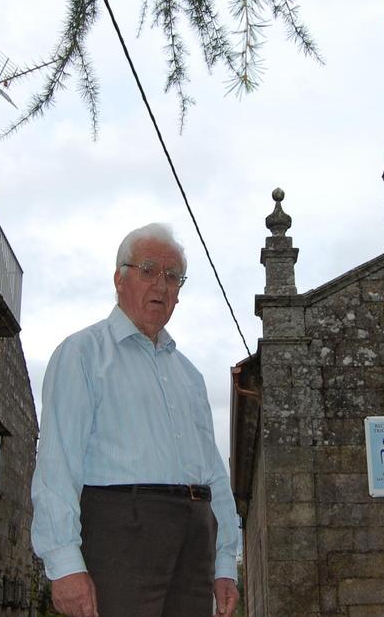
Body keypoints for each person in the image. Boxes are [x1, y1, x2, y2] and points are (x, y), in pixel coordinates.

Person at [31, 223, 241, 617]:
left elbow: (213, 472)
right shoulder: (82, 354)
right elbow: (57, 465)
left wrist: (226, 562)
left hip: (196, 542)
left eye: (173, 276)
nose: (161, 285)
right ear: (120, 279)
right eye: (148, 270)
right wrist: (64, 563)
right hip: (120, 536)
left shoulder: (190, 375)